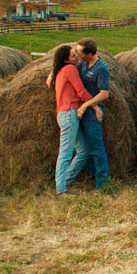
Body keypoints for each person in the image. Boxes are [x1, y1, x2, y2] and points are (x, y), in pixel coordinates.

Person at [49, 44, 101, 195]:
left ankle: (65, 181)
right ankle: (61, 190)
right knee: (65, 153)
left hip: (65, 114)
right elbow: (81, 91)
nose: (76, 57)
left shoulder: (59, 71)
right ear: (66, 60)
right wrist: (96, 106)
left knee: (83, 151)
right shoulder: (70, 69)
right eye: (73, 56)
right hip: (70, 113)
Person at [73, 38, 112, 189]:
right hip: (81, 110)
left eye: (80, 52)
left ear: (89, 54)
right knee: (83, 148)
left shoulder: (101, 69)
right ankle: (93, 176)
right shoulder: (82, 64)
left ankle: (104, 184)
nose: (77, 55)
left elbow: (104, 94)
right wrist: (52, 74)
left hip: (91, 113)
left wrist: (87, 106)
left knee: (96, 148)